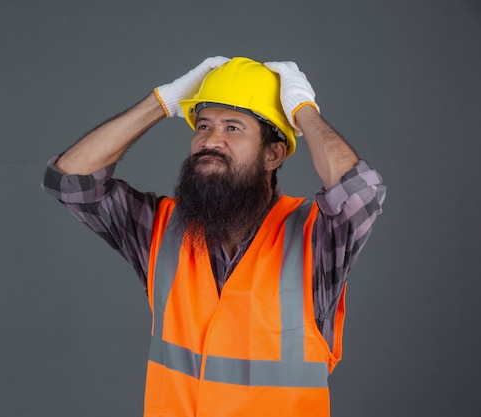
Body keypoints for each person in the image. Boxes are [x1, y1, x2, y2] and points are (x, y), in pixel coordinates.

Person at [41, 56, 386, 417]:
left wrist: (303, 111)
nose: (211, 141)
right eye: (203, 125)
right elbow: (69, 181)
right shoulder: (163, 229)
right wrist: (160, 103)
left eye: (233, 128)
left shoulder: (314, 240)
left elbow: (360, 193)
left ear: (273, 154)